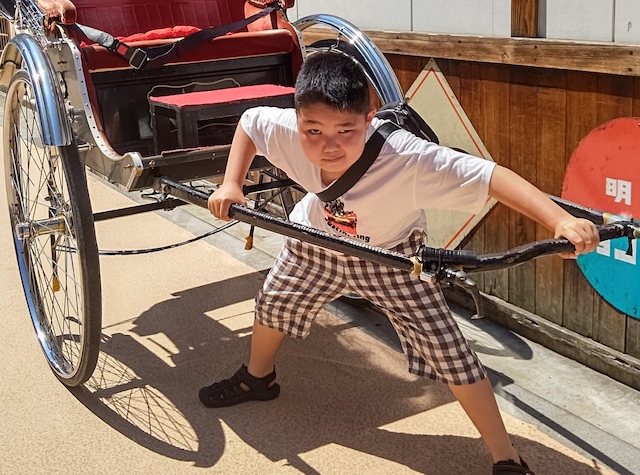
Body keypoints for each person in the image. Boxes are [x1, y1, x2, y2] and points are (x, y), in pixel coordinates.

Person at [203, 50, 599, 475]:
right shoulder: (284, 129)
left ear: (369, 119)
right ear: (298, 119)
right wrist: (231, 184)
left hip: (391, 258)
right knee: (273, 305)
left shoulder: (408, 158)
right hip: (315, 242)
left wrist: (559, 219)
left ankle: (506, 458)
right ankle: (258, 377)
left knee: (449, 350)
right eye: (313, 130)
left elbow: (492, 177)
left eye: (345, 130)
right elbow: (250, 123)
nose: (328, 145)